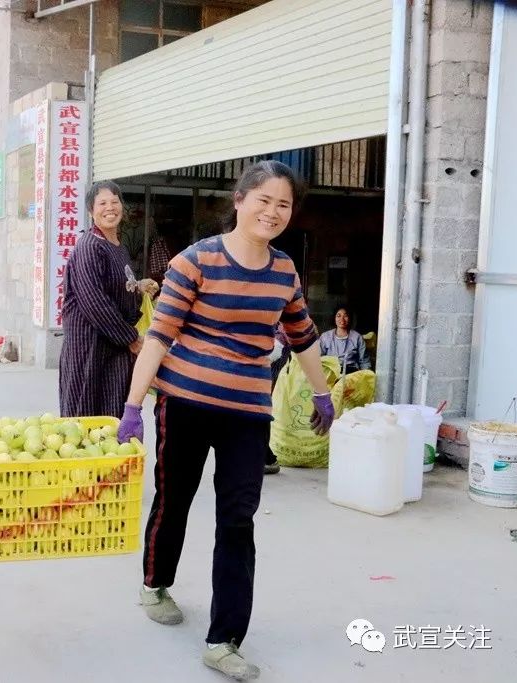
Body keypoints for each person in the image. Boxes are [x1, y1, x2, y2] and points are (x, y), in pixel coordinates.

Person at [116, 161, 335, 680]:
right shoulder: (195, 261)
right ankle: (155, 582)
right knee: (175, 499)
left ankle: (224, 639)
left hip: (247, 413)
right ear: (239, 200)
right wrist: (132, 404)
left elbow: (301, 335)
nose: (273, 212)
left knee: (238, 520)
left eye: (284, 204)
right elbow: (160, 336)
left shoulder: (283, 271)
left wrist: (323, 392)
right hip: (185, 404)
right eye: (264, 200)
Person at [58, 180, 158, 417]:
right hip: (89, 350)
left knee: (111, 418)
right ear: (91, 211)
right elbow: (95, 303)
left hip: (114, 351)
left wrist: (138, 286)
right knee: (85, 419)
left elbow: (116, 287)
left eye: (115, 202)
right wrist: (131, 338)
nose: (110, 207)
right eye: (102, 203)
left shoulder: (116, 246)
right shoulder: (90, 247)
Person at [263, 323, 292, 475]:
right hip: (260, 377)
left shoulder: (282, 327)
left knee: (260, 416)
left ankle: (267, 459)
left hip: (265, 376)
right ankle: (266, 458)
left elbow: (274, 352)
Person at [319, 306, 371, 375]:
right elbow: (319, 358)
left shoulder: (357, 337)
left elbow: (364, 361)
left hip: (351, 374)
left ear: (350, 318)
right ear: (334, 318)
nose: (342, 319)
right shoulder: (325, 336)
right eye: (338, 316)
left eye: (345, 316)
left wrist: (366, 376)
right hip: (331, 373)